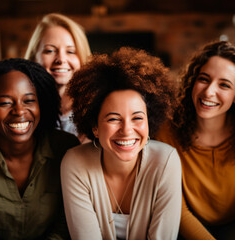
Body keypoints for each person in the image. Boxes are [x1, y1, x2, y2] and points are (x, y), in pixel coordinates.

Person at [157, 41, 235, 240]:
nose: (209, 91)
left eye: (224, 85)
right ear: (193, 81)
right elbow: (179, 210)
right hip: (187, 229)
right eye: (204, 79)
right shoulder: (167, 131)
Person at [0, 58, 79, 239]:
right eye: (5, 103)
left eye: (29, 100)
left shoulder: (66, 148)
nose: (19, 111)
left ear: (41, 104)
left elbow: (64, 229)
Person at [61, 47, 182, 240]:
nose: (126, 130)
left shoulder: (166, 161)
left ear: (149, 121)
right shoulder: (75, 163)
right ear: (95, 127)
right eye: (113, 119)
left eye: (137, 118)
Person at [25, 13, 92, 142]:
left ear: (82, 57)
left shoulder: (98, 107)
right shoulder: (23, 109)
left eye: (70, 51)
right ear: (34, 57)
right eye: (50, 51)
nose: (61, 59)